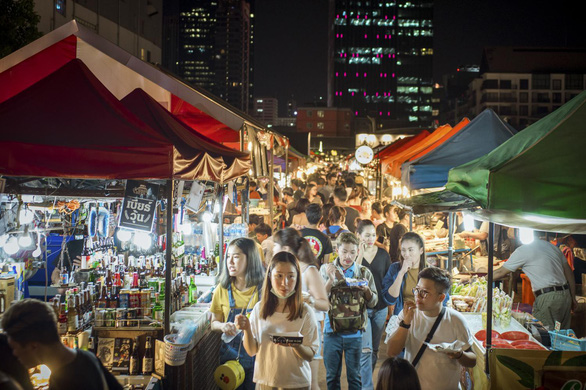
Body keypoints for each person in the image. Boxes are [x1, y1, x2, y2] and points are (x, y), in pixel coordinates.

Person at [236, 252, 319, 390]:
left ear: (297, 278)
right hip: (265, 382)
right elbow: (251, 351)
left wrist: (295, 344)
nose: (284, 283)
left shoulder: (305, 312)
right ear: (269, 276)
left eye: (291, 276)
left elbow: (310, 355)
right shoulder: (259, 309)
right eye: (279, 276)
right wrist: (247, 329)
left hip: (296, 383)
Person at [1, 299, 123, 390]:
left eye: (14, 348)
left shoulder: (66, 382)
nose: (14, 354)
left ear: (33, 346)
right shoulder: (87, 357)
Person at [386, 268, 476, 390]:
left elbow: (472, 360)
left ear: (441, 297)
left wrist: (459, 355)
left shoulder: (456, 320)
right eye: (417, 290)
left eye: (425, 292)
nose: (418, 296)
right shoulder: (407, 314)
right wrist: (406, 323)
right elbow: (392, 352)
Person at [320, 232, 378, 390]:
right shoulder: (326, 270)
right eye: (344, 251)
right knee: (332, 377)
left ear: (358, 252)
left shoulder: (364, 273)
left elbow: (373, 302)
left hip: (355, 333)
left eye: (352, 252)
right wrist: (331, 280)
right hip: (331, 331)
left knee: (355, 377)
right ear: (337, 250)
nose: (348, 256)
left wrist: (366, 290)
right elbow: (320, 300)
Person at [273, 228, 330, 389]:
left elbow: (325, 304)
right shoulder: (285, 270)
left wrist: (310, 300)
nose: (273, 249)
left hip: (308, 332)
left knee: (310, 384)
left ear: (285, 249)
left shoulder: (308, 270)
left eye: (275, 245)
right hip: (289, 329)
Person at [210, 238, 265, 390]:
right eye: (228, 256)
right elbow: (214, 322)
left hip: (259, 358)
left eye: (236, 256)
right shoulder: (222, 288)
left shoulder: (264, 289)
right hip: (230, 359)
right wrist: (223, 326)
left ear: (250, 258)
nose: (230, 262)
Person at [492, 232, 577, 329]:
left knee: (544, 335)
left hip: (548, 299)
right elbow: (569, 273)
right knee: (562, 336)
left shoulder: (523, 250)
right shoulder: (553, 248)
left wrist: (481, 279)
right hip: (565, 296)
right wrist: (573, 297)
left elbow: (501, 272)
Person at [356, 220, 392, 390]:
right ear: (359, 236)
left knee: (375, 349)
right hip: (361, 308)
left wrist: (390, 308)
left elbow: (387, 281)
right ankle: (367, 386)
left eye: (373, 234)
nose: (371, 238)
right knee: (366, 350)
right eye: (367, 235)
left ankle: (365, 378)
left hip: (380, 308)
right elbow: (353, 275)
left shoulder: (383, 254)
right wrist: (360, 254)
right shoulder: (354, 254)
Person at [382, 232, 431, 318]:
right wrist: (401, 273)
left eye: (410, 250)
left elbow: (442, 300)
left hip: (425, 317)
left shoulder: (430, 271)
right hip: (403, 317)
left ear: (421, 250)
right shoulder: (395, 268)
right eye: (403, 250)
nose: (406, 254)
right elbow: (389, 300)